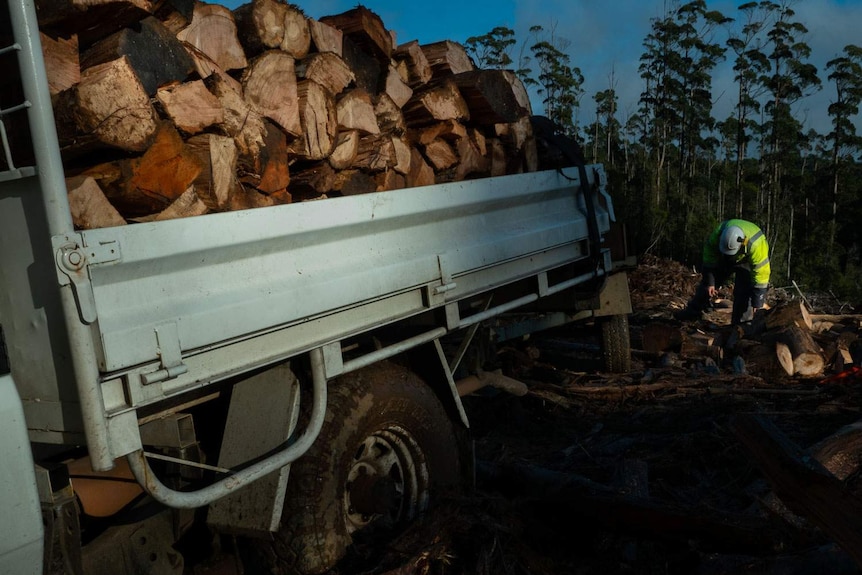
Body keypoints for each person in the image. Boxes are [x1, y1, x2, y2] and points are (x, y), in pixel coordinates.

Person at [675, 219, 770, 325]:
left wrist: (758, 302)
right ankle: (692, 313)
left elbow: (761, 275)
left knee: (744, 291)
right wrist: (710, 281)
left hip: (746, 261)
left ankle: (740, 326)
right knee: (707, 285)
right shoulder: (717, 234)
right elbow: (709, 257)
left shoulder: (756, 246)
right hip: (723, 257)